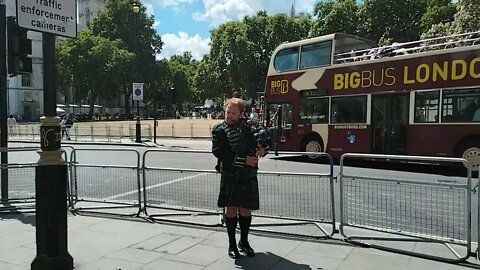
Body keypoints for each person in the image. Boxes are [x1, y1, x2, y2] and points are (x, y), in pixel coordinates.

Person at [211, 98, 269, 259]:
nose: (229, 115)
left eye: (233, 113)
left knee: (245, 209)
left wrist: (263, 149)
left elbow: (261, 143)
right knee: (231, 209)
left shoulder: (248, 128)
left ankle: (244, 242)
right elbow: (219, 152)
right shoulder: (219, 130)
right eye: (227, 112)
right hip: (231, 174)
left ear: (241, 114)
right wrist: (244, 160)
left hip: (248, 175)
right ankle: (231, 244)